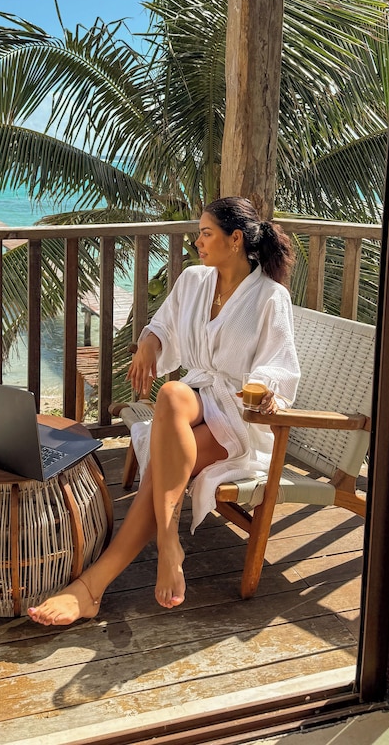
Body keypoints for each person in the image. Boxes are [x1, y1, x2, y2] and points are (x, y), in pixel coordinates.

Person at [27, 196, 300, 627]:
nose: (197, 242)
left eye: (206, 233)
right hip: (197, 394)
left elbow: (279, 364)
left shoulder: (270, 296)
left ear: (235, 239)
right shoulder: (194, 280)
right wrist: (149, 345)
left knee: (159, 466)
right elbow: (162, 325)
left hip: (236, 415)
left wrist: (265, 388)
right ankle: (168, 543)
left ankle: (93, 586)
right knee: (172, 392)